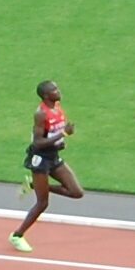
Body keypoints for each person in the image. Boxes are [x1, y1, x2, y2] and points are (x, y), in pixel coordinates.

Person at [11, 80, 85, 252]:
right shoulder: (40, 114)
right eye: (54, 90)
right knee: (42, 203)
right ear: (46, 95)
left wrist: (60, 142)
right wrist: (63, 133)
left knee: (76, 192)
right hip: (40, 159)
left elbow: (52, 132)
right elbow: (38, 143)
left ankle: (32, 185)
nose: (59, 91)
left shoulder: (57, 107)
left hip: (53, 156)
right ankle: (17, 236)